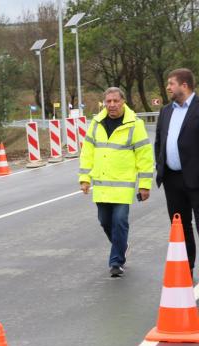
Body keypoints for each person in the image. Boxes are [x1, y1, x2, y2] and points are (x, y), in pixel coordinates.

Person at [79, 87, 154, 277]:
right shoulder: (96, 123)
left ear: (123, 102)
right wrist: (85, 179)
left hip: (123, 186)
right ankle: (122, 245)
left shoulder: (134, 124)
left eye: (115, 101)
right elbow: (87, 153)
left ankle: (116, 262)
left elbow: (144, 156)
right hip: (102, 186)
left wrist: (145, 184)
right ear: (104, 103)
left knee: (120, 221)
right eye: (108, 101)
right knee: (105, 221)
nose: (112, 105)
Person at [155, 68, 199, 278]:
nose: (168, 87)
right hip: (172, 179)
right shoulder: (166, 111)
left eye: (171, 83)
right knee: (181, 227)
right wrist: (160, 166)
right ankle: (187, 269)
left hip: (197, 179)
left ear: (184, 85)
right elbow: (159, 142)